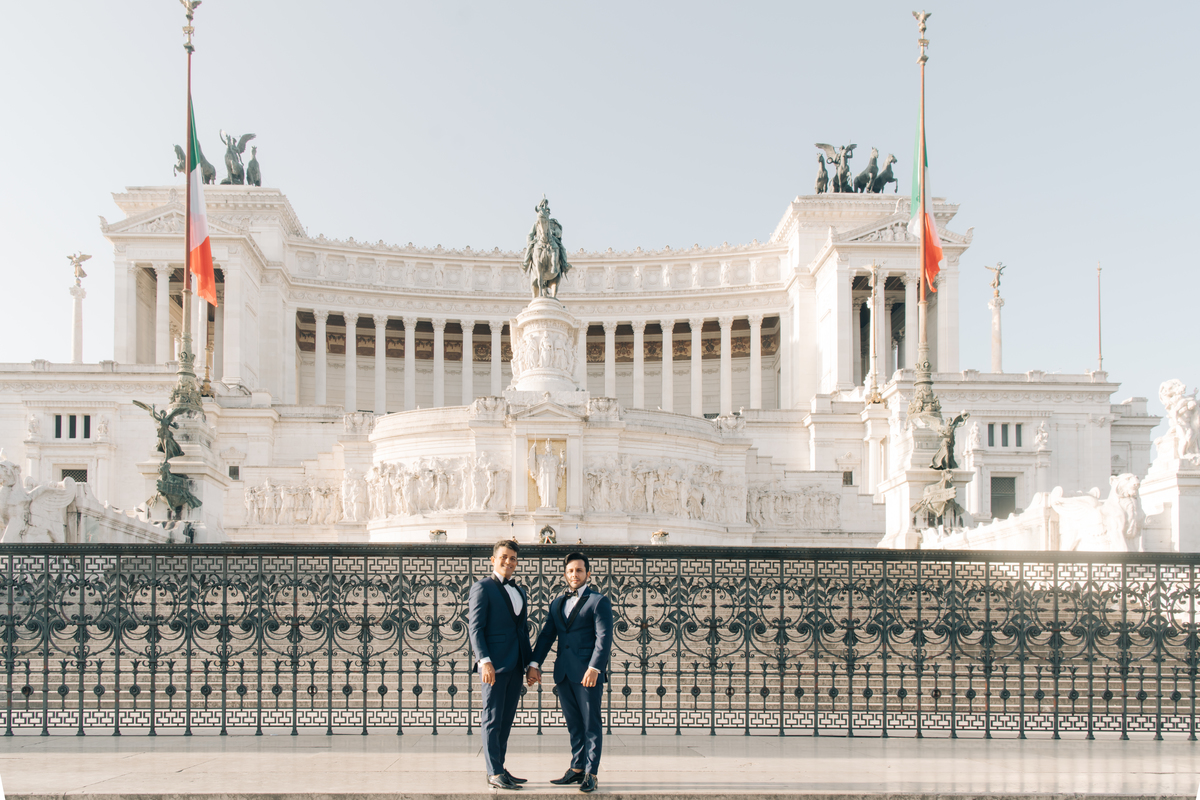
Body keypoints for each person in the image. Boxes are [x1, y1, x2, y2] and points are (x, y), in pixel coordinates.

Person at [526, 552, 614, 794]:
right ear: (565, 574)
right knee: (574, 724)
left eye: (579, 570)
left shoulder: (598, 601)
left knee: (591, 724)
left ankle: (591, 773)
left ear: (588, 573)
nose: (574, 575)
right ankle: (577, 768)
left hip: (588, 674)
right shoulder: (557, 603)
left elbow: (604, 638)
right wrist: (534, 663)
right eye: (570, 571)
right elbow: (547, 636)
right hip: (564, 672)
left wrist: (595, 668)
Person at [468, 540, 533, 790]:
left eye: (513, 558)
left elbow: (522, 631)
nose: (508, 562)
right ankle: (493, 772)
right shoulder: (482, 587)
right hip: (493, 665)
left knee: (505, 720)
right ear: (493, 560)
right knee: (492, 718)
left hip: (515, 664)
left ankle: (500, 767)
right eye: (504, 557)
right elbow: (476, 628)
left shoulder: (521, 591)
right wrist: (484, 661)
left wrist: (530, 663)